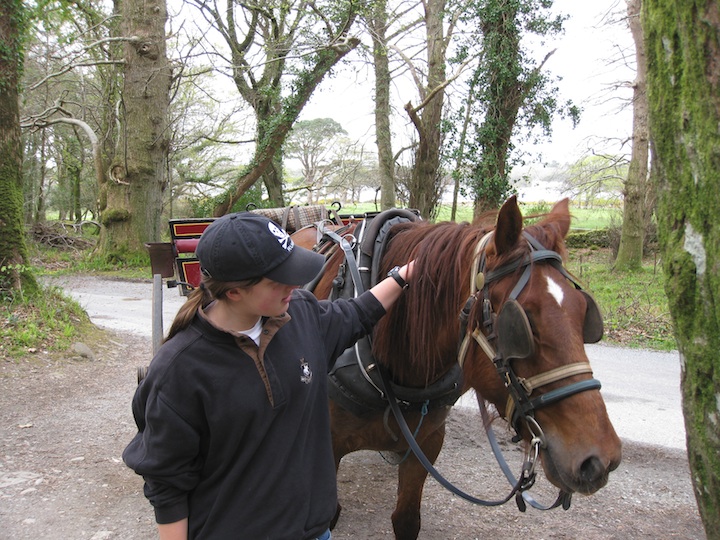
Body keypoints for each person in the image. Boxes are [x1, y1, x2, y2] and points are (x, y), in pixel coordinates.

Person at [123, 212, 413, 540]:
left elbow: (357, 314)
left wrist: (404, 275)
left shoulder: (301, 314)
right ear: (234, 292)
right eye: (279, 280)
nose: (294, 285)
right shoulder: (179, 370)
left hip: (315, 532)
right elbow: (168, 484)